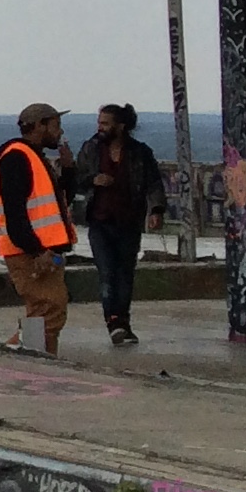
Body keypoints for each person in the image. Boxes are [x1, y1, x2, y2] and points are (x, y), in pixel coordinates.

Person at [78, 103, 166, 346]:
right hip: (99, 220)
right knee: (107, 272)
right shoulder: (91, 149)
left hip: (129, 221)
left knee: (125, 274)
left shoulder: (140, 153)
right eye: (99, 123)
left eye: (105, 123)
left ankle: (124, 322)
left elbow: (154, 183)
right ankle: (113, 321)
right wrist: (93, 179)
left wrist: (156, 210)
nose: (100, 127)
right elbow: (77, 178)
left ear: (121, 126)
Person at [0, 102, 74, 354]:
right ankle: (20, 358)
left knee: (47, 313)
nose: (60, 132)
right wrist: (36, 250)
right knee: (47, 312)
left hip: (42, 250)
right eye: (56, 125)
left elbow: (58, 203)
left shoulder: (33, 157)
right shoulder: (18, 157)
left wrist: (69, 170)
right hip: (31, 252)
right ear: (40, 125)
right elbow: (15, 212)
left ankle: (36, 359)